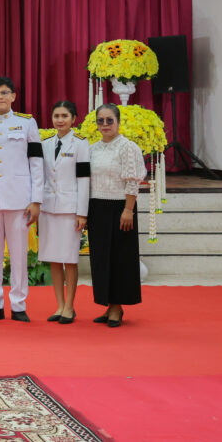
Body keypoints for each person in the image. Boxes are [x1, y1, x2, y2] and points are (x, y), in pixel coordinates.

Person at [0, 76, 44, 323]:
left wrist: (36, 199)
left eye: (5, 92)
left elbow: (36, 162)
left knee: (19, 255)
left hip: (19, 200)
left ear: (13, 96)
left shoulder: (27, 123)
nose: (0, 97)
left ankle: (19, 304)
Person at [87, 103, 146, 328]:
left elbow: (133, 180)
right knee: (101, 259)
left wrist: (128, 209)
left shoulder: (127, 147)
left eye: (109, 120)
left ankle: (117, 307)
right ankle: (108, 303)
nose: (105, 125)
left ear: (118, 122)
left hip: (121, 208)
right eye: (100, 121)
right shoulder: (92, 149)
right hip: (97, 208)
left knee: (120, 258)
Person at [40, 100, 90, 325]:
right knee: (53, 258)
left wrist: (82, 213)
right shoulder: (45, 144)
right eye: (56, 116)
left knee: (69, 259)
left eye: (64, 116)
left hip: (70, 209)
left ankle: (70, 306)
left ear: (74, 119)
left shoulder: (80, 143)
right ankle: (59, 305)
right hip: (48, 208)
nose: (60, 120)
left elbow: (84, 179)